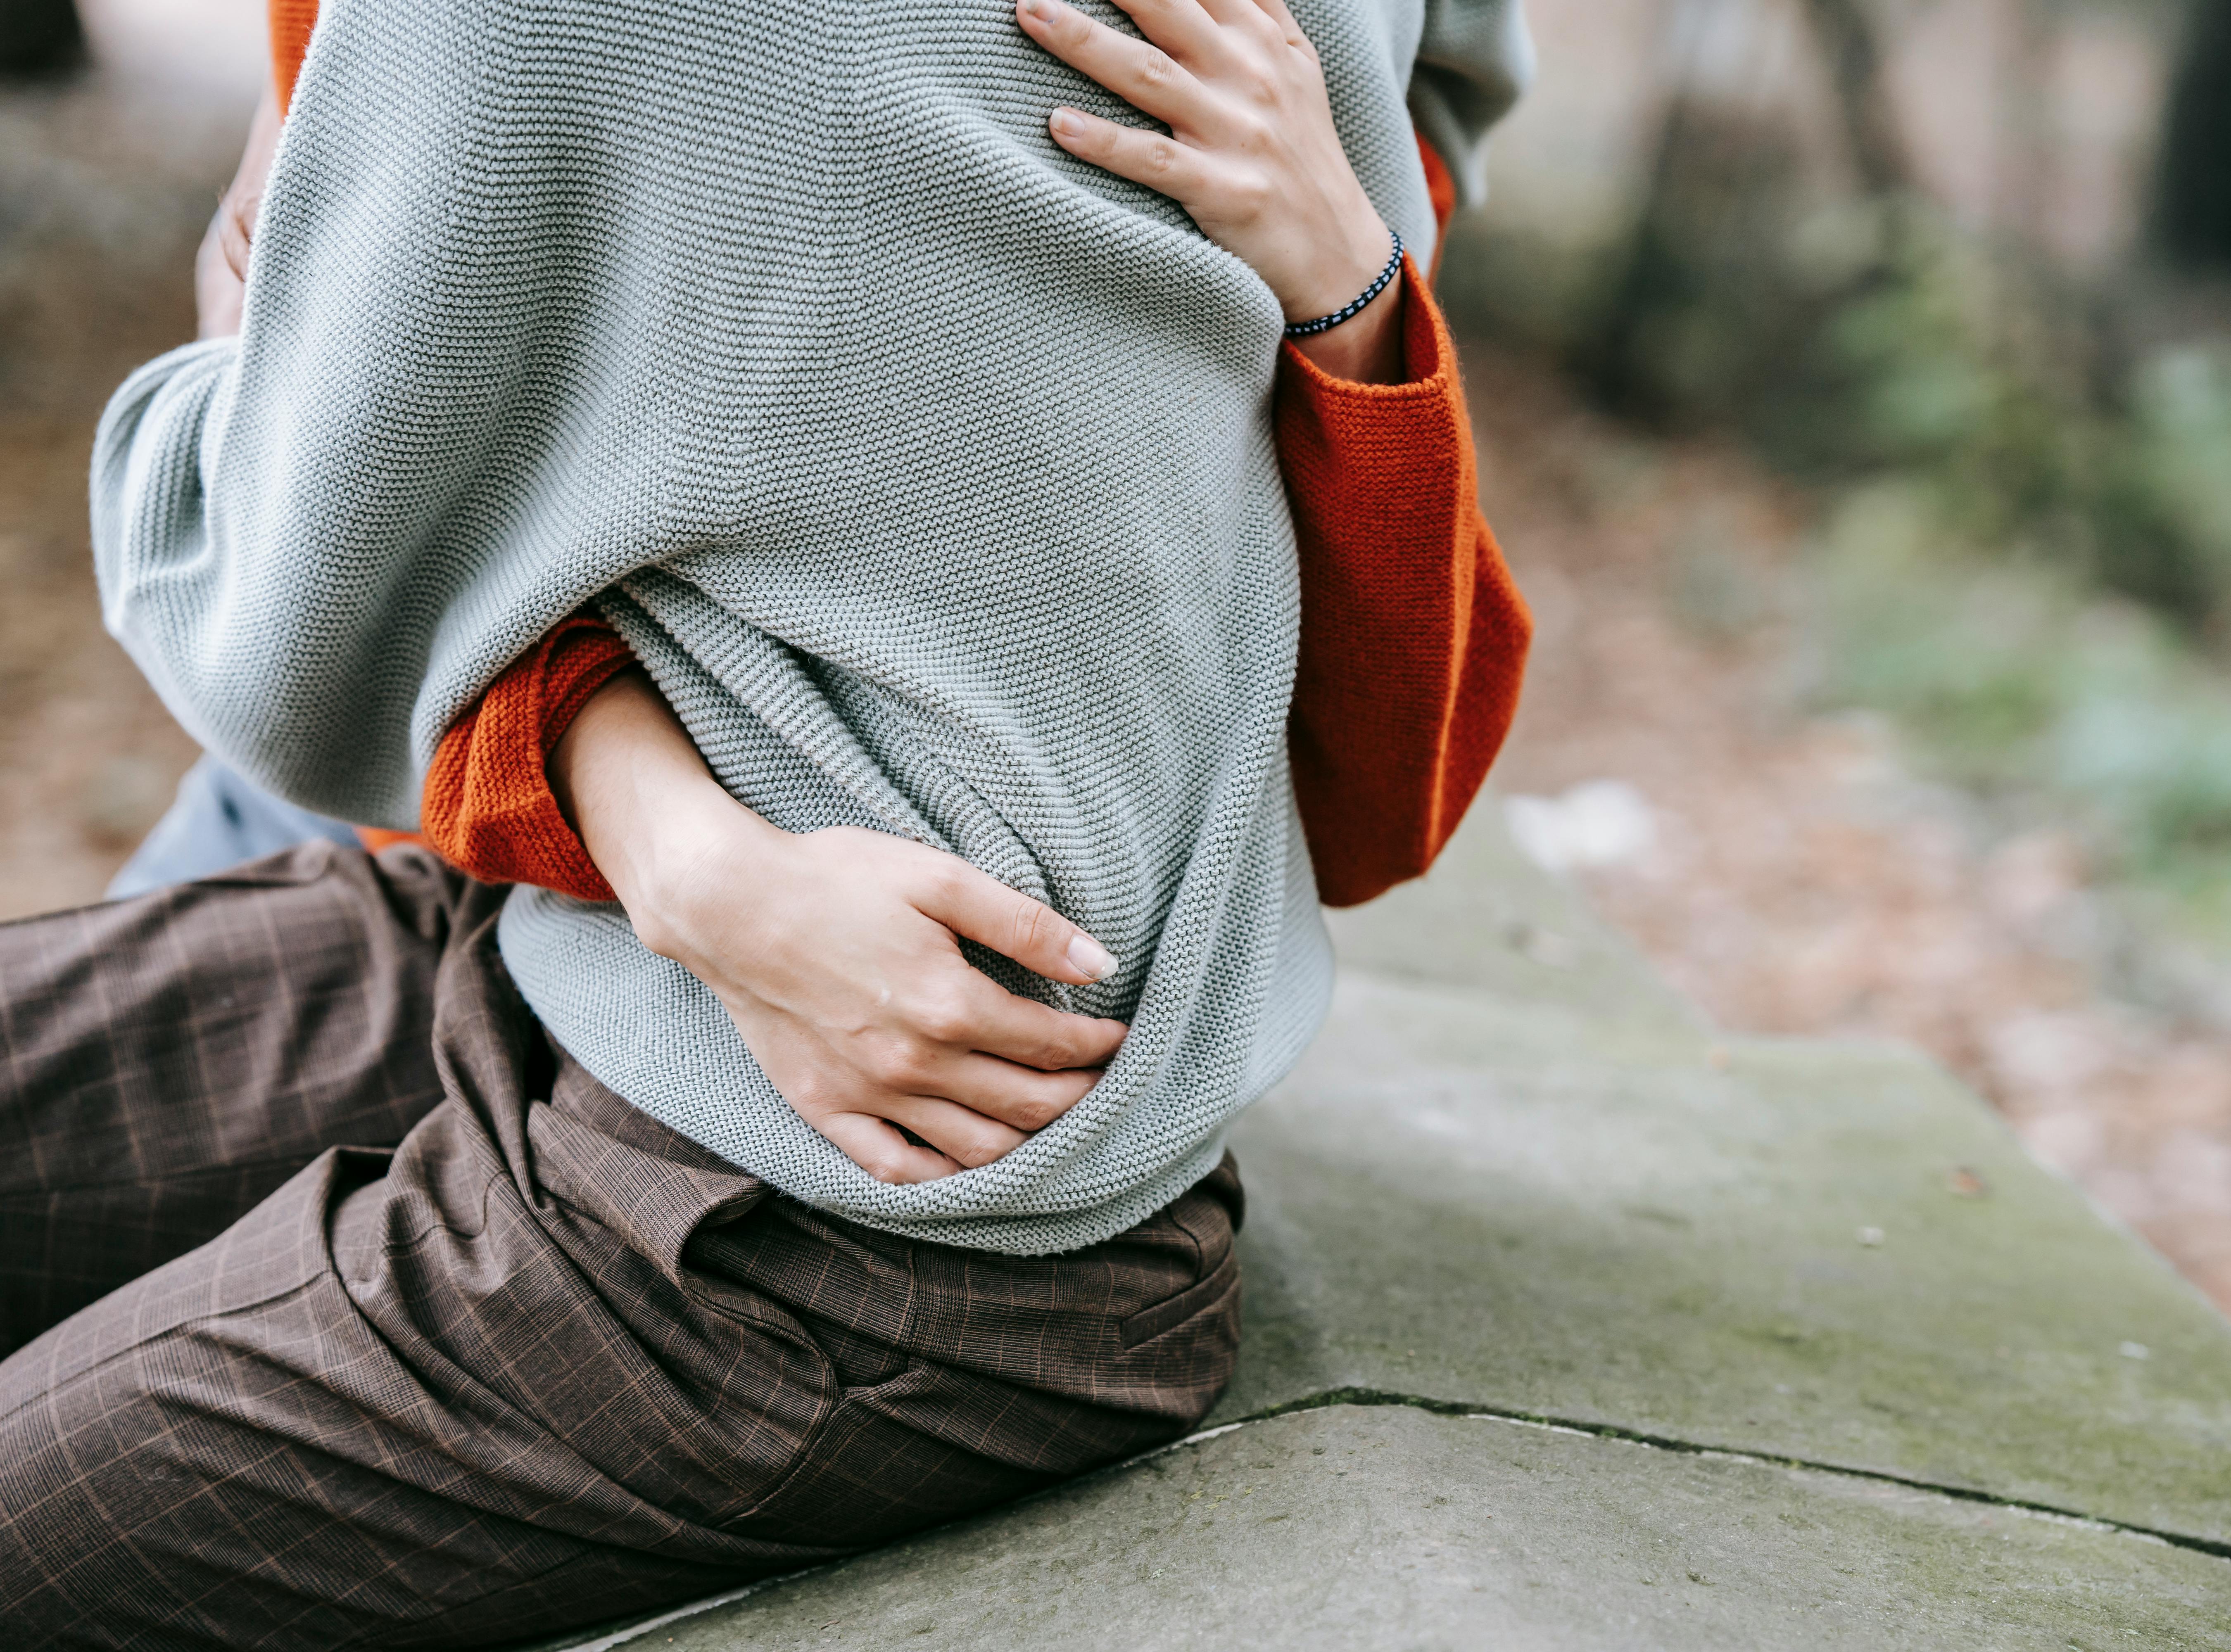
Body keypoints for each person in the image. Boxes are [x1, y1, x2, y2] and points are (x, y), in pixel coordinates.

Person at [0, 0, 1531, 1644]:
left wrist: (264, 335)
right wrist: (670, 845)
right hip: (559, 939)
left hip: (873, 1249)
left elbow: (265, 586)